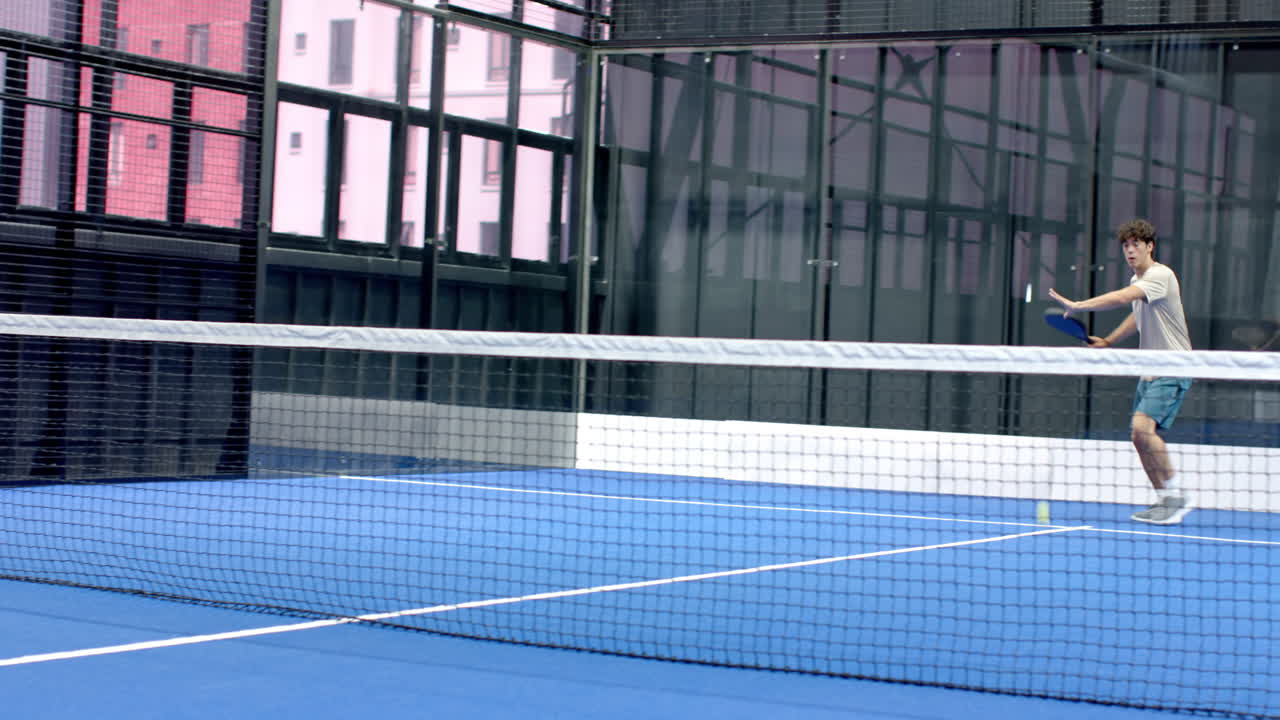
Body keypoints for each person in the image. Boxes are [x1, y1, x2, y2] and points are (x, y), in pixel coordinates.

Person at [1048, 219, 1194, 525]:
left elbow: (1121, 299)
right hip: (1150, 369)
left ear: (1150, 246)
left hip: (1173, 365)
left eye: (1136, 244)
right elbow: (1136, 314)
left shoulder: (1159, 275)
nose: (1130, 250)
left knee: (1142, 429)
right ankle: (1164, 499)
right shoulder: (1138, 283)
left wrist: (1079, 305)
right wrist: (1109, 341)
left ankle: (1177, 495)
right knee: (1138, 437)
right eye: (1126, 245)